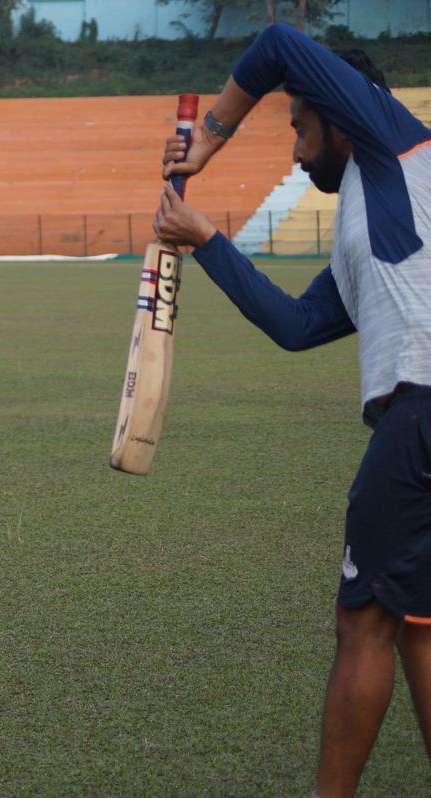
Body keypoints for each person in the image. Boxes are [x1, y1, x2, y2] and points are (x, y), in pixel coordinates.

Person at [154, 24, 431, 798]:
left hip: (421, 410)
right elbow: (298, 325)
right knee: (417, 622)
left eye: (301, 128)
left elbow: (275, 43)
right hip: (417, 421)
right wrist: (205, 239)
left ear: (344, 115)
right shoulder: (366, 216)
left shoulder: (389, 139)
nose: (296, 151)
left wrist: (209, 140)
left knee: (366, 623)